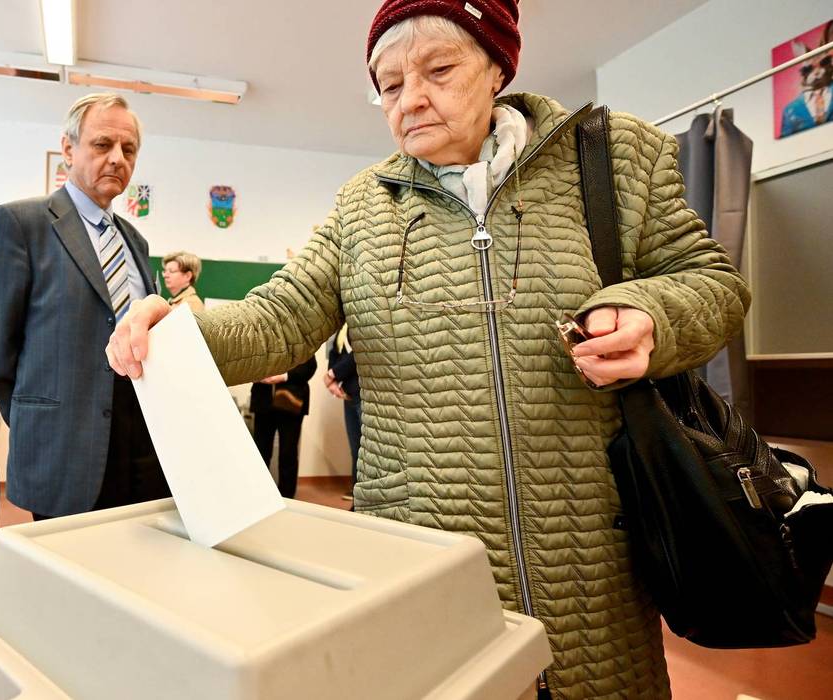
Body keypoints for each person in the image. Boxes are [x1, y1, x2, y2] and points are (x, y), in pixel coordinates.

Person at [105, 2, 751, 696]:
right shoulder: (362, 207)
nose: (409, 98)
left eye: (438, 70)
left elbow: (712, 282)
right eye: (388, 85)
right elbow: (279, 317)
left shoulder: (612, 159)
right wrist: (178, 328)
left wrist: (652, 316)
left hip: (594, 552)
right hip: (420, 551)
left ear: (497, 65)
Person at [0, 93, 170, 521]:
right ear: (68, 149)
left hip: (139, 446)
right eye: (102, 144)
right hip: (62, 447)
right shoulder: (20, 223)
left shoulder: (135, 242)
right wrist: (34, 416)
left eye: (129, 149)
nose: (117, 158)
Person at [249, 356, 318, 498]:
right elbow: (247, 362)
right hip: (263, 400)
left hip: (291, 400)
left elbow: (310, 366)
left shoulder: (300, 342)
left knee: (288, 453)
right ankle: (259, 495)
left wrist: (284, 376)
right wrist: (253, 374)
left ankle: (287, 498)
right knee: (260, 452)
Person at [325, 325, 360, 502]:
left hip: (364, 392)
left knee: (366, 447)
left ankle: (363, 492)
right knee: (355, 447)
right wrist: (332, 381)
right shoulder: (343, 327)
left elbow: (358, 353)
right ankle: (356, 488)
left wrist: (333, 373)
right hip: (349, 394)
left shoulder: (361, 322)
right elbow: (335, 352)